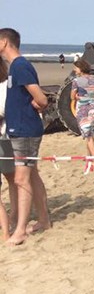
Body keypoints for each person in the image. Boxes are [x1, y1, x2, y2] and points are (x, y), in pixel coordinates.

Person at [0, 28, 51, 246]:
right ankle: (44, 219)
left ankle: (20, 230)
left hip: (25, 130)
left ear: (4, 42)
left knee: (21, 179)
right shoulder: (16, 67)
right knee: (31, 176)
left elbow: (41, 98)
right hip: (19, 129)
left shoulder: (20, 66)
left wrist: (36, 104)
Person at [70, 59, 94, 190]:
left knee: (88, 135)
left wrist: (78, 97)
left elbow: (72, 96)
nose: (75, 70)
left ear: (80, 68)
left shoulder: (76, 81)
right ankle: (90, 157)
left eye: (76, 68)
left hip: (84, 108)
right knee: (89, 132)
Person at [0, 58, 13, 240]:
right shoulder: (7, 84)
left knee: (13, 179)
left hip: (4, 138)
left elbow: (2, 110)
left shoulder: (4, 85)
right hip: (6, 136)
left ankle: (6, 232)